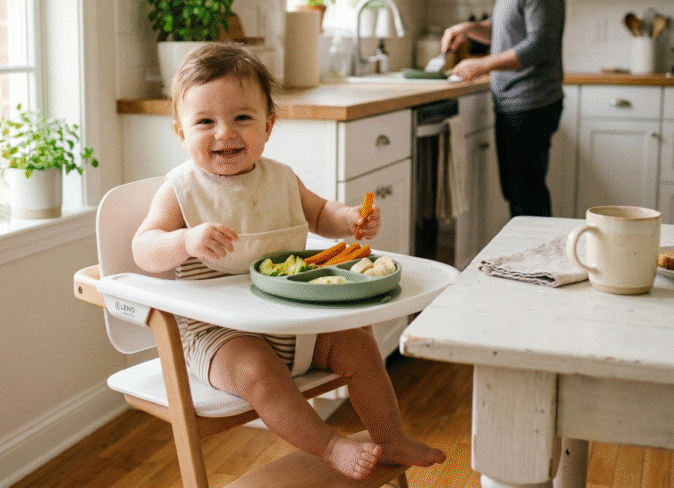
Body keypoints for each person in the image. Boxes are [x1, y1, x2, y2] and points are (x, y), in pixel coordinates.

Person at [131, 42, 446, 481]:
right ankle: (329, 445)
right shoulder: (181, 190)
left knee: (359, 344)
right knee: (259, 372)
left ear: (268, 126)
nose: (224, 133)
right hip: (219, 336)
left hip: (292, 321)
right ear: (181, 134)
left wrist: (350, 218)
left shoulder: (280, 178)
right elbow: (143, 248)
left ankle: (389, 434)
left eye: (242, 117)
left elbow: (320, 214)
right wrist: (185, 240)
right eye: (205, 122)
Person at [441, 0, 566, 217]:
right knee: (517, 194)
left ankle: (534, 262)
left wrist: (482, 64)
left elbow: (541, 45)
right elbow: (505, 30)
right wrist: (468, 28)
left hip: (531, 104)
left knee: (527, 200)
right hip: (513, 103)